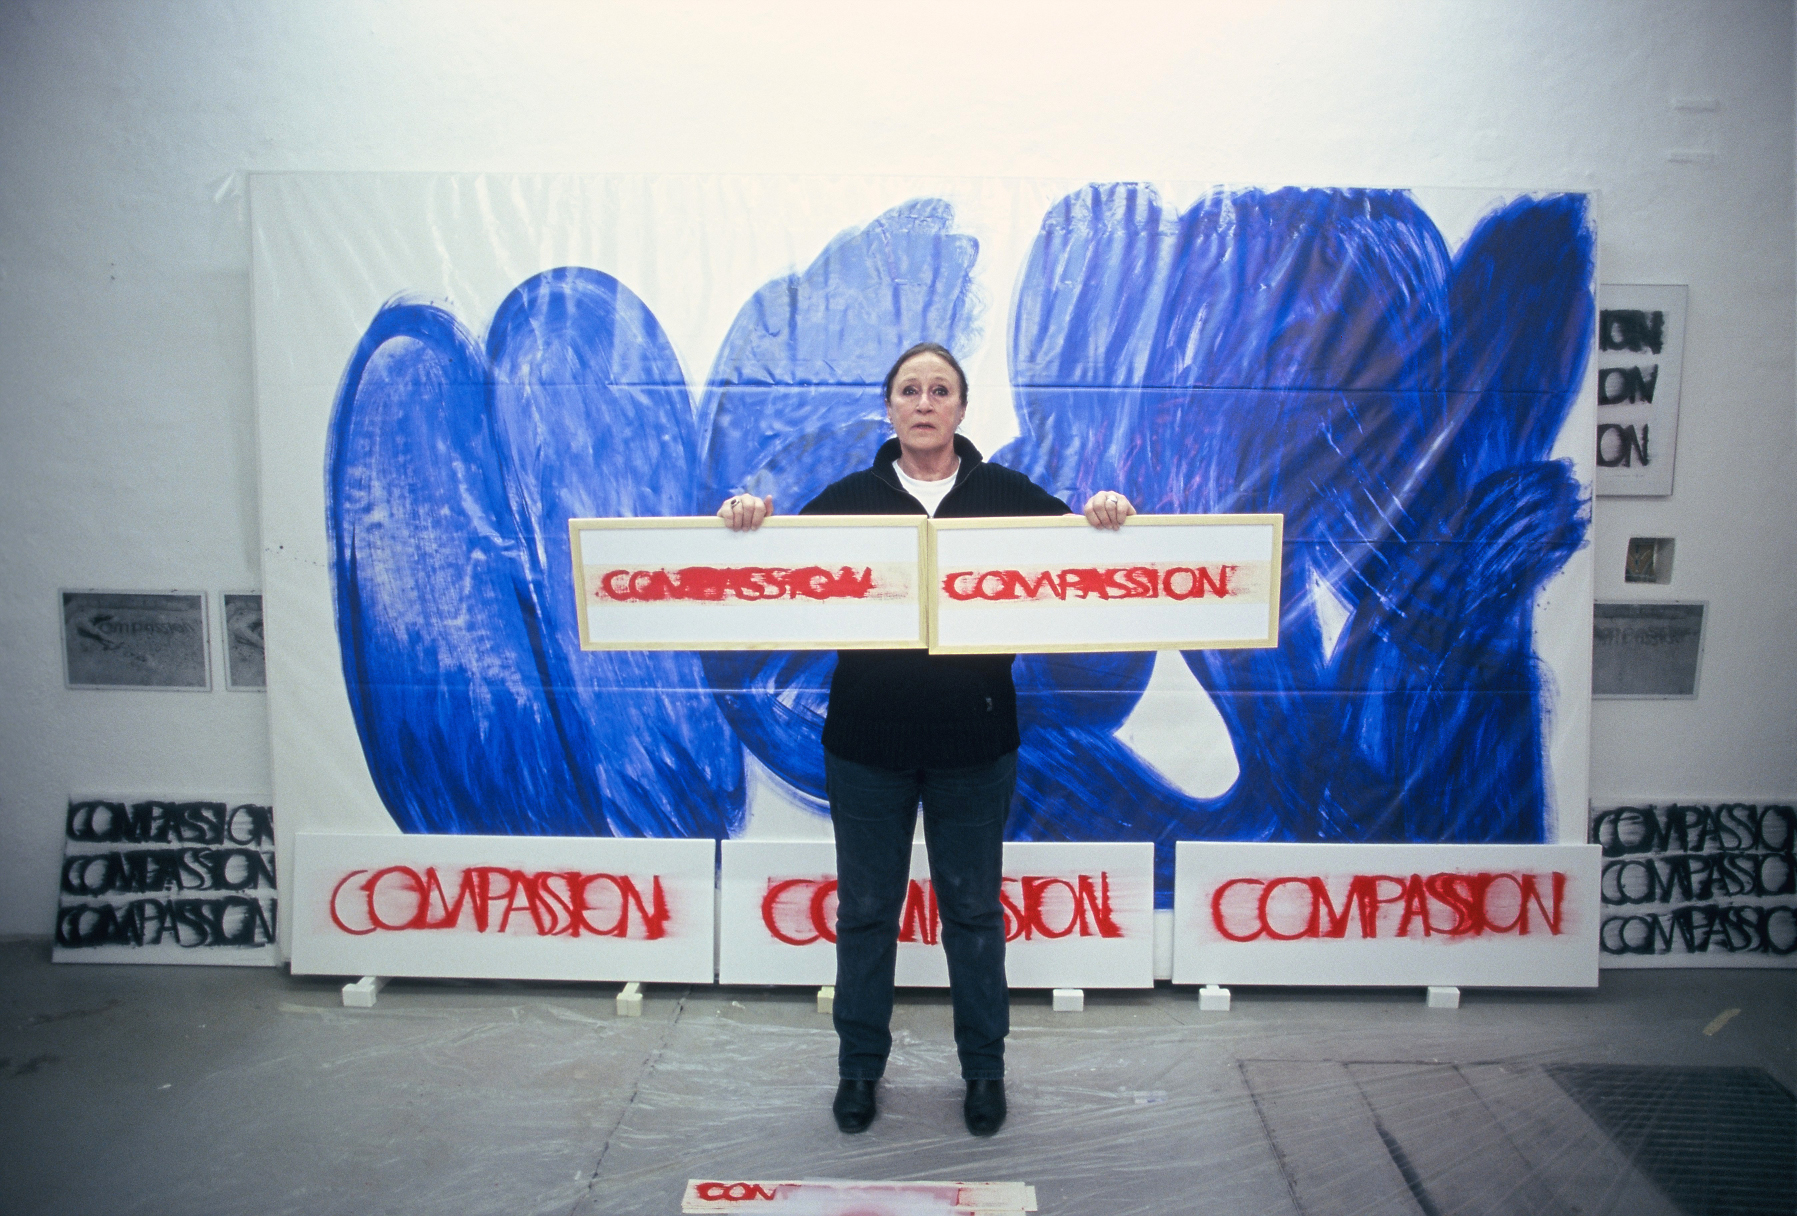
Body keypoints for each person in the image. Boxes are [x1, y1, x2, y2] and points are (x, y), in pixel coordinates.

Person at [719, 342, 1135, 1137]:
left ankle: (983, 1072)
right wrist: (747, 523)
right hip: (865, 745)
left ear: (960, 408)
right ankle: (858, 1071)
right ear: (889, 408)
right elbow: (776, 568)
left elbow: (1082, 555)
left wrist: (1105, 515)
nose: (923, 402)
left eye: (938, 389)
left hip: (974, 745)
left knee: (972, 913)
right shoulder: (847, 498)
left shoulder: (1007, 493)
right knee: (865, 913)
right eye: (909, 389)